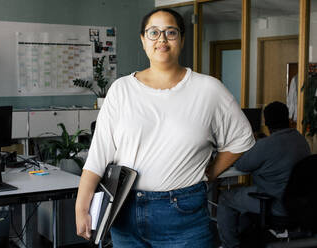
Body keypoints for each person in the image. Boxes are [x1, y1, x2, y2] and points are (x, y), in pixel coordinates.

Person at [75, 8, 255, 247]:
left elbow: (241, 139)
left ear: (181, 38)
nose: (162, 39)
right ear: (143, 39)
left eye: (170, 32)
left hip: (184, 215)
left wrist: (207, 174)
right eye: (154, 32)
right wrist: (81, 207)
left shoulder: (208, 89)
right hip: (123, 210)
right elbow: (98, 155)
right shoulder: (121, 90)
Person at [216, 101, 311, 248]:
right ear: (286, 118)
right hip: (299, 203)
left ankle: (230, 245)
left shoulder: (267, 144)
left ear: (266, 122)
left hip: (274, 202)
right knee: (243, 197)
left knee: (226, 198)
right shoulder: (300, 139)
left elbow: (242, 165)